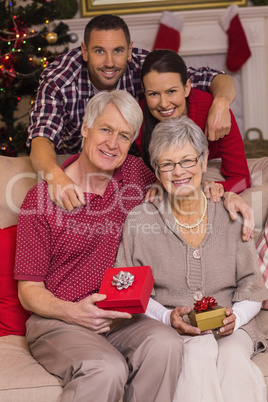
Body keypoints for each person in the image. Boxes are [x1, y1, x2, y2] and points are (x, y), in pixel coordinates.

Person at [14, 90, 184, 402]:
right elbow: (28, 290)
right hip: (59, 318)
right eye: (105, 129)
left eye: (123, 135)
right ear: (85, 128)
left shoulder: (135, 175)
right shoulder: (40, 199)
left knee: (167, 344)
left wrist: (222, 193)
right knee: (106, 368)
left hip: (121, 315)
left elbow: (183, 187)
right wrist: (72, 312)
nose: (112, 143)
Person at [115, 115, 268, 402]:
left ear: (203, 160)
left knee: (233, 358)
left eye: (187, 160)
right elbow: (127, 288)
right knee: (198, 353)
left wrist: (237, 317)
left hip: (233, 323)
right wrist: (166, 317)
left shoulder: (229, 213)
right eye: (168, 164)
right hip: (173, 327)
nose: (179, 171)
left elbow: (252, 284)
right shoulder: (139, 220)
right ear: (157, 171)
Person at [27, 13, 237, 211]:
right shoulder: (59, 79)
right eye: (99, 51)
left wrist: (221, 102)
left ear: (129, 50)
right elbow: (41, 138)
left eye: (118, 51)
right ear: (84, 51)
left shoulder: (144, 66)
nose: (109, 62)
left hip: (130, 158)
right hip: (74, 159)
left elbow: (215, 77)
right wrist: (57, 177)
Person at [139, 49, 251, 197]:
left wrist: (220, 187)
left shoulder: (213, 111)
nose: (164, 104)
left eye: (171, 91)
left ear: (187, 87)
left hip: (209, 172)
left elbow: (242, 178)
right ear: (143, 90)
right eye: (153, 94)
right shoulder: (139, 117)